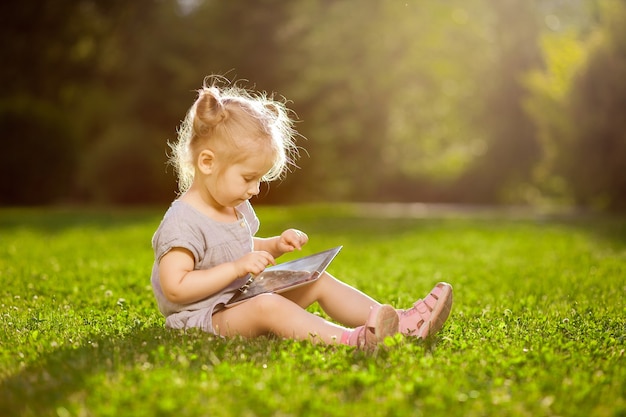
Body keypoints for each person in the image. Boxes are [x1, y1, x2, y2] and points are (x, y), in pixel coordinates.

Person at [151, 77, 453, 350]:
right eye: (248, 178)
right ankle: (353, 340)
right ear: (207, 163)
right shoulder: (183, 222)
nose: (255, 190)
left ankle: (400, 324)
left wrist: (273, 245)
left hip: (236, 300)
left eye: (259, 179)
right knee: (267, 306)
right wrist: (236, 269)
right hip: (204, 318)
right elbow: (176, 288)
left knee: (315, 279)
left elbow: (235, 245)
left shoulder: (233, 204)